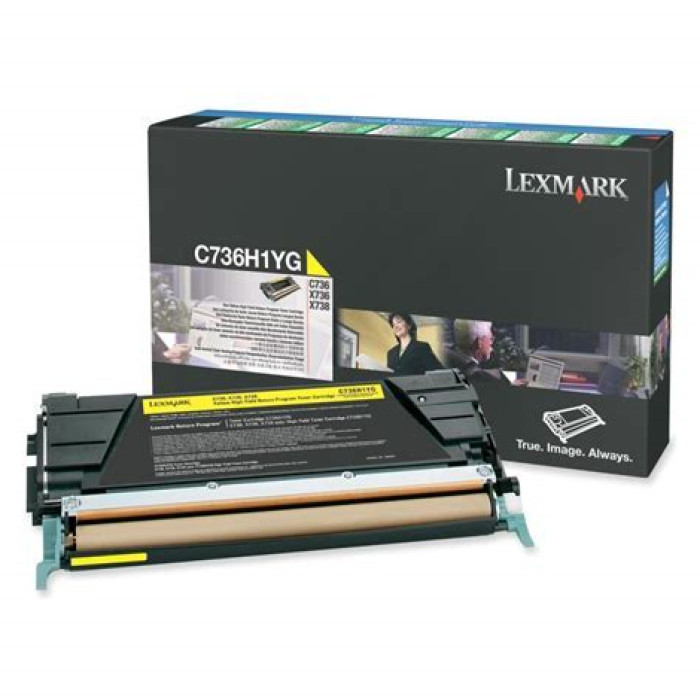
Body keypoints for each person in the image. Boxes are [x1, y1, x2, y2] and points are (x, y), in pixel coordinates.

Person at [445, 320, 511, 385]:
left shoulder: (445, 358)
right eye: (490, 338)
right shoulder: (480, 377)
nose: (492, 342)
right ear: (479, 343)